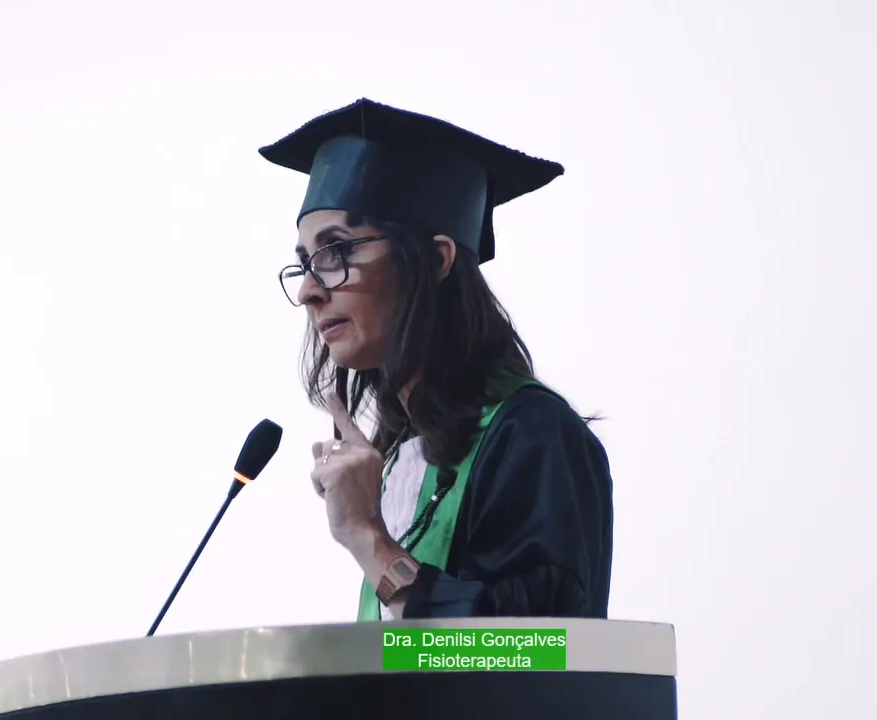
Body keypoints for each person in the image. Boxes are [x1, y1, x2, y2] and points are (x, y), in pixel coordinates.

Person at [259, 98, 613, 621]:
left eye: (337, 252)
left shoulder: (533, 434)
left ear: (436, 259)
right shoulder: (397, 456)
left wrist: (367, 538)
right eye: (305, 262)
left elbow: (535, 650)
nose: (309, 289)